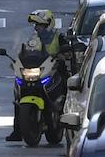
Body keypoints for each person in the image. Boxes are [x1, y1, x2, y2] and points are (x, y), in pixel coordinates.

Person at [6, 10, 64, 142]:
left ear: (48, 24)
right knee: (18, 98)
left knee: (65, 84)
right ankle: (17, 131)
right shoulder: (32, 37)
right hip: (35, 68)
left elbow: (66, 48)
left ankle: (63, 116)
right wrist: (17, 58)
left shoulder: (57, 37)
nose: (37, 27)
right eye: (36, 25)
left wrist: (64, 52)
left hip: (53, 68)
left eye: (40, 25)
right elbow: (21, 49)